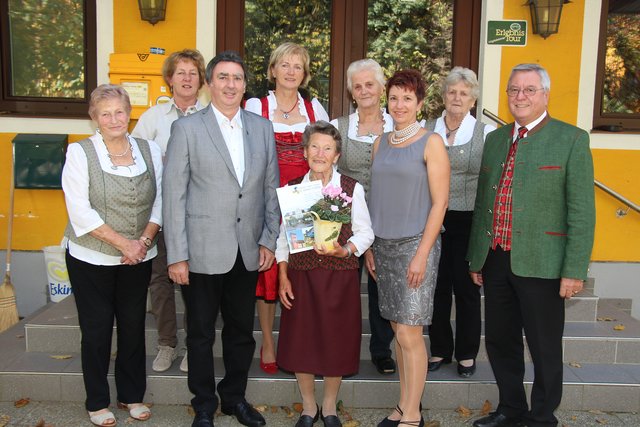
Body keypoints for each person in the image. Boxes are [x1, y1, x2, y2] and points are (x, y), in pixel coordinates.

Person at [468, 63, 595, 427]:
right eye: (513, 90)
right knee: (500, 341)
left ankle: (541, 417)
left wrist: (574, 270)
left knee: (544, 347)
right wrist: (476, 258)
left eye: (528, 90)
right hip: (496, 260)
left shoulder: (570, 139)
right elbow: (483, 204)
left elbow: (581, 212)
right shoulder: (495, 140)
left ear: (545, 95)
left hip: (544, 263)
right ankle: (511, 408)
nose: (520, 97)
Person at [162, 51, 280, 427]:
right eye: (224, 77)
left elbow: (270, 189)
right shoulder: (187, 129)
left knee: (241, 333)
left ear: (245, 86)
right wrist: (176, 256)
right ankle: (203, 405)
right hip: (200, 251)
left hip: (247, 251)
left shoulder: (261, 128)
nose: (231, 84)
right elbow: (173, 195)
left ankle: (234, 398)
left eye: (238, 78)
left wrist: (268, 240)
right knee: (199, 334)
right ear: (209, 83)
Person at [62, 84, 163, 426]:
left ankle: (131, 396)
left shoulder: (150, 150)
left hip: (139, 257)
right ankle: (97, 401)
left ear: (129, 112)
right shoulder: (80, 153)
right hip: (91, 258)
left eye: (119, 111)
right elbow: (80, 211)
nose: (114, 119)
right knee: (96, 329)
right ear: (94, 118)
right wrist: (125, 244)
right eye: (105, 113)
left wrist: (144, 242)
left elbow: (159, 200)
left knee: (134, 326)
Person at [276, 121, 374, 427]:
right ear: (305, 152)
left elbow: (366, 233)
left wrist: (344, 250)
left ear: (337, 155)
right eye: (314, 147)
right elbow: (282, 240)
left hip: (338, 278)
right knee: (301, 341)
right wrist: (282, 276)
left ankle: (329, 406)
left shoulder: (351, 188)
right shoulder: (293, 190)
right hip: (301, 277)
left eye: (327, 148)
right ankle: (308, 407)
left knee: (336, 341)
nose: (320, 153)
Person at [366, 70, 450, 427]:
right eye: (395, 97)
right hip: (382, 247)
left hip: (418, 245)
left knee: (409, 332)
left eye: (407, 99)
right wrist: (368, 245)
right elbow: (374, 198)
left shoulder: (432, 142)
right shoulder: (380, 142)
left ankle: (412, 414)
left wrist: (421, 254)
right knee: (398, 330)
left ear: (420, 104)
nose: (399, 105)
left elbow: (440, 203)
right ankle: (403, 404)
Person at [245, 41, 329, 374]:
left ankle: (302, 340)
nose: (291, 71)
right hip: (268, 200)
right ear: (273, 70)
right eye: (285, 64)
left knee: (304, 274)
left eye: (298, 66)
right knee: (268, 277)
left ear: (304, 74)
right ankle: (268, 340)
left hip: (305, 202)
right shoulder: (256, 106)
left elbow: (325, 156)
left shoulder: (314, 111)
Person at [131, 48, 206, 373]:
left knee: (194, 281)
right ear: (169, 79)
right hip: (159, 214)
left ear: (201, 80)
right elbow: (134, 159)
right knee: (160, 279)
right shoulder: (152, 118)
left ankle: (193, 345)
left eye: (193, 72)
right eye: (181, 72)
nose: (187, 78)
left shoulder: (210, 115)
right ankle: (166, 343)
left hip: (198, 215)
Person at [423, 66, 495, 378]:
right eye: (452, 91)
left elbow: (492, 182)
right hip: (431, 219)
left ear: (472, 100)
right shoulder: (426, 128)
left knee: (466, 289)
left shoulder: (486, 133)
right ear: (443, 96)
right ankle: (439, 349)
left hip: (469, 220)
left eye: (463, 93)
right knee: (436, 287)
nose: (456, 97)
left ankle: (466, 354)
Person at [329, 58, 396, 375]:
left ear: (382, 88)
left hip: (388, 218)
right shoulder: (338, 127)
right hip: (345, 220)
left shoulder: (399, 126)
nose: (365, 90)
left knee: (382, 286)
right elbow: (328, 176)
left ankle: (382, 350)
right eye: (358, 86)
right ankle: (341, 349)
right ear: (351, 92)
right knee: (343, 289)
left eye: (370, 84)